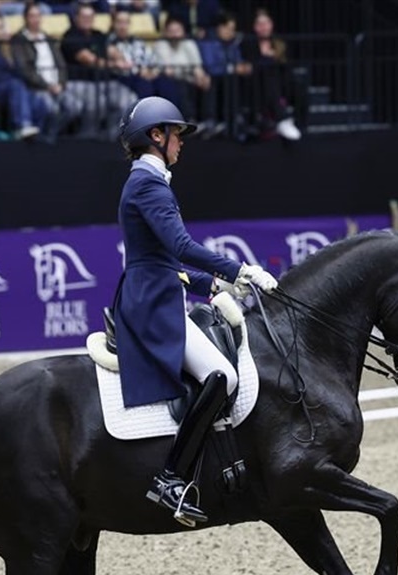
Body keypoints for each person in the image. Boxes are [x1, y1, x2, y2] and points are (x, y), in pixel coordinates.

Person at [113, 96, 277, 525]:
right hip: (152, 305)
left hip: (155, 292)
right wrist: (241, 269)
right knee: (223, 376)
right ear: (156, 135)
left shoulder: (146, 181)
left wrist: (216, 284)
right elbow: (181, 247)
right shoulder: (148, 185)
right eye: (176, 134)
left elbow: (165, 262)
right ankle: (170, 478)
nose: (181, 142)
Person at [59, 1, 135, 140]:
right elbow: (89, 60)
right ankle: (87, 135)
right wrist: (115, 65)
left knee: (129, 100)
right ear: (76, 18)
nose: (87, 20)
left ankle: (111, 135)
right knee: (97, 102)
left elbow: (112, 50)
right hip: (80, 82)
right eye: (84, 17)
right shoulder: (70, 36)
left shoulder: (98, 34)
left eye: (90, 17)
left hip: (105, 81)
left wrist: (121, 59)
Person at [0, 13, 50, 140]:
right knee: (15, 85)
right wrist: (10, 81)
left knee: (38, 100)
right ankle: (23, 125)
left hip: (10, 88)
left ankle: (36, 134)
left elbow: (19, 71)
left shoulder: (8, 48)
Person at [9, 2, 81, 138]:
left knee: (75, 107)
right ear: (25, 18)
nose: (35, 19)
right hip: (36, 88)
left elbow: (61, 64)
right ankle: (44, 137)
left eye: (38, 16)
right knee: (51, 109)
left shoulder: (48, 38)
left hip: (57, 86)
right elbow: (25, 69)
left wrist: (61, 83)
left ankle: (51, 134)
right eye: (32, 16)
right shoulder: (19, 40)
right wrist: (47, 86)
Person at [239, 7, 300, 141]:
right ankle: (282, 119)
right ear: (255, 27)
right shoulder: (248, 43)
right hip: (256, 86)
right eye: (260, 24)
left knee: (298, 84)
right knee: (267, 76)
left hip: (281, 83)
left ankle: (296, 123)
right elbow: (250, 66)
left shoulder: (279, 43)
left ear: (271, 25)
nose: (263, 27)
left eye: (266, 23)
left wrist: (273, 59)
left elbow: (286, 66)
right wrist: (267, 59)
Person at [152, 15, 211, 130]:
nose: (175, 35)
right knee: (181, 85)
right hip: (172, 80)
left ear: (183, 31)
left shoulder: (189, 43)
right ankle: (189, 121)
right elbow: (169, 71)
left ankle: (209, 120)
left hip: (190, 78)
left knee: (208, 81)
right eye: (171, 31)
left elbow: (197, 66)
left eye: (178, 31)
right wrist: (190, 74)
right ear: (166, 32)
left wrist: (201, 77)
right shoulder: (161, 45)